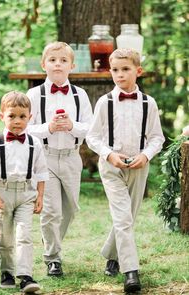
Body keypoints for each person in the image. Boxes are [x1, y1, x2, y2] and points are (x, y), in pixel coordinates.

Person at [86, 48, 165, 293]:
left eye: (126, 69)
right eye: (115, 70)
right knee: (122, 218)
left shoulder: (148, 103)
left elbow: (156, 138)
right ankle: (131, 272)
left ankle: (112, 254)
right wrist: (109, 154)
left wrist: (145, 155)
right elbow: (93, 137)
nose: (120, 75)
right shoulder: (105, 102)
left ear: (138, 71)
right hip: (111, 166)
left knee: (127, 218)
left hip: (139, 166)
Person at [26, 41, 93, 276]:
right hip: (45, 158)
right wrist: (49, 128)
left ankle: (50, 242)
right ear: (44, 64)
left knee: (71, 209)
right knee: (51, 211)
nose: (58, 64)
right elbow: (24, 130)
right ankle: (53, 258)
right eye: (53, 60)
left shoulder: (80, 95)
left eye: (63, 60)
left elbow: (90, 128)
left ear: (72, 66)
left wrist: (72, 126)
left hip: (72, 157)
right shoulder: (34, 95)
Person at [0, 91, 49, 293]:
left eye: (22, 116)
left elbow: (41, 173)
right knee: (4, 238)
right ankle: (7, 272)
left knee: (24, 235)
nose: (17, 121)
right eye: (12, 116)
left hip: (27, 194)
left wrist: (40, 196)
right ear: (2, 116)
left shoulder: (35, 143)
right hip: (2, 193)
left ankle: (26, 276)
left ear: (30, 117)